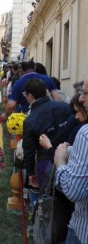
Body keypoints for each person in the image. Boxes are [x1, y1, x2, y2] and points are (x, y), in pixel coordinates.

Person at [54, 77, 88, 244]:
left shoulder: (85, 134)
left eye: (85, 94)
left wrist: (60, 161)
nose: (81, 98)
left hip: (83, 229)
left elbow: (73, 192)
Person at [22, 78, 71, 189]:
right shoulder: (64, 107)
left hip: (46, 162)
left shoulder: (30, 120)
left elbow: (29, 150)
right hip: (70, 157)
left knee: (47, 197)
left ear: (30, 96)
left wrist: (30, 173)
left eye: (25, 94)